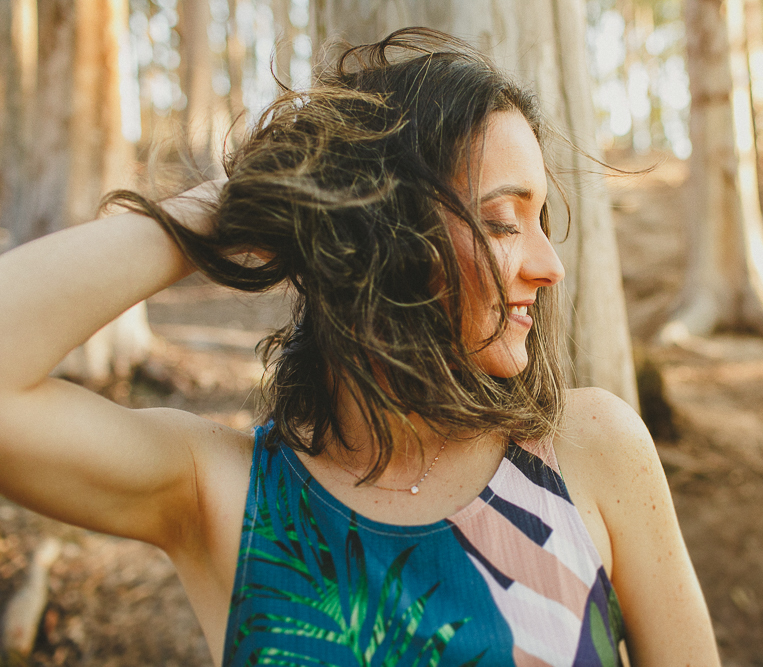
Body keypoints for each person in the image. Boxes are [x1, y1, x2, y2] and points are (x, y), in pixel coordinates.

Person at [0, 28, 720, 667]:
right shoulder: (227, 495)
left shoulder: (592, 451)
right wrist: (229, 207)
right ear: (386, 236)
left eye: (542, 218)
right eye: (504, 222)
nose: (549, 263)